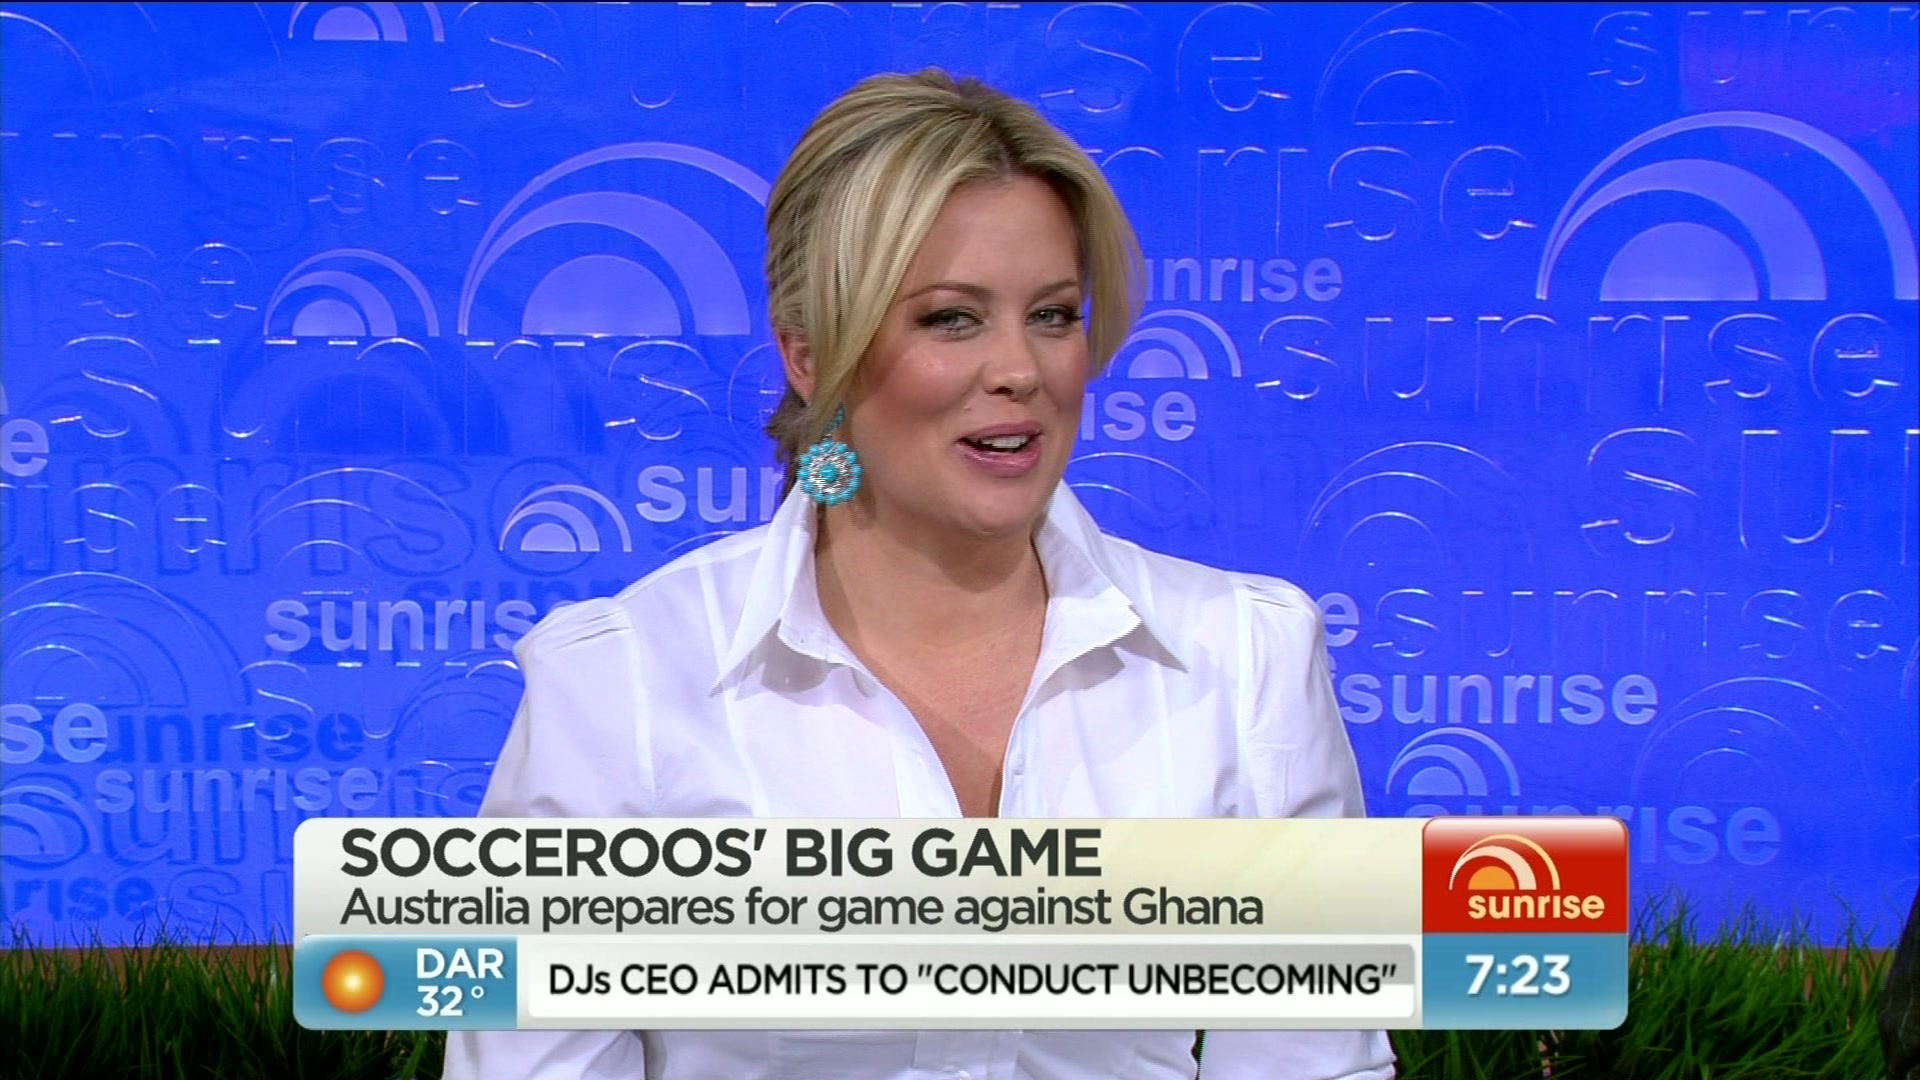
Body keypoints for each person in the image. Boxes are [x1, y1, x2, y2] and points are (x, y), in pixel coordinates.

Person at [444, 68, 1395, 1080]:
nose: (1021, 370)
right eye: (951, 319)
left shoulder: (1245, 658)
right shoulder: (623, 685)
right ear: (813, 356)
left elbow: (1311, 1059)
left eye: (1054, 315)